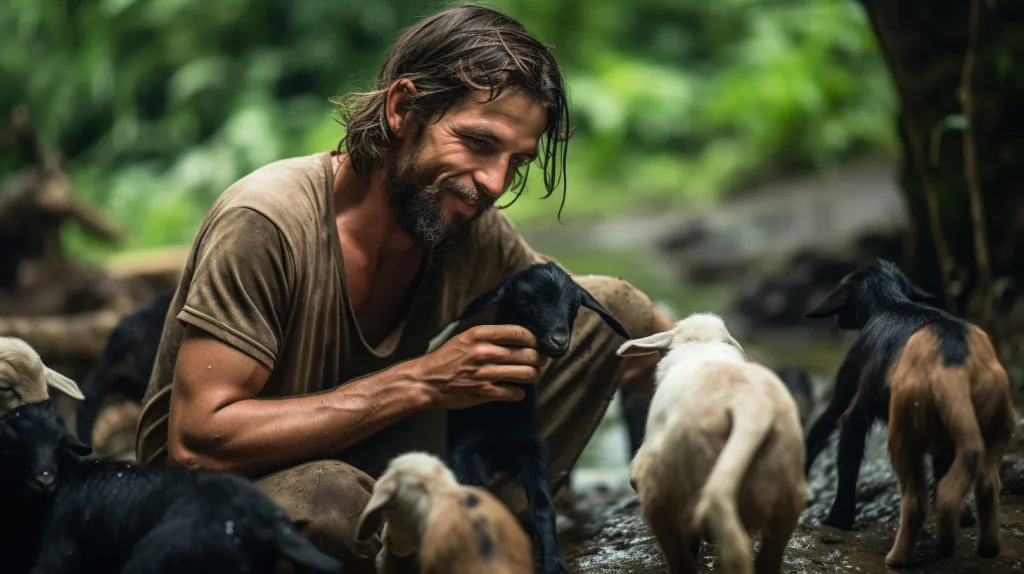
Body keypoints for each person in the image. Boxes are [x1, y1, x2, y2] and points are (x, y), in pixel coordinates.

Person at [134, 4, 672, 572]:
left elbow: (616, 319)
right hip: (212, 505)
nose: (493, 182)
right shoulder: (265, 221)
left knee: (607, 308)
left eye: (516, 162)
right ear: (402, 108)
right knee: (331, 497)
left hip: (379, 468)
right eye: (478, 142)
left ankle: (491, 538)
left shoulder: (466, 226)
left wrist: (729, 386)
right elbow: (197, 445)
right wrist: (423, 380)